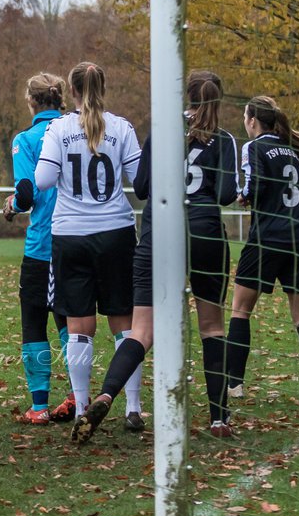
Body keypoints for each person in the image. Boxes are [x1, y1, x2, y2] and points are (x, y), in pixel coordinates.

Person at [72, 71, 239, 442]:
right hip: (205, 234)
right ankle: (218, 418)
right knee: (211, 326)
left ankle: (104, 396)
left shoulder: (160, 134)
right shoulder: (224, 140)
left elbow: (144, 188)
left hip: (156, 235)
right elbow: (227, 194)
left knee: (142, 330)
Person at [31, 63, 143, 434]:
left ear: (72, 91)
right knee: (125, 322)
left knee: (79, 326)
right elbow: (140, 180)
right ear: (103, 87)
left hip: (71, 235)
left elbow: (44, 179)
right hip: (116, 232)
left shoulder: (58, 128)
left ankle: (82, 406)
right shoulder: (122, 127)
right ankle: (133, 407)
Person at [225, 95, 299, 404]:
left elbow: (254, 185)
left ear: (253, 121)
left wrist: (244, 196)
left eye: (246, 117)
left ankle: (234, 385)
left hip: (268, 237)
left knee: (240, 309)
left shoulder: (253, 147)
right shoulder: (294, 150)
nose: (245, 123)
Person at [2, 73, 75, 426]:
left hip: (45, 243)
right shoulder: (77, 129)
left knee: (34, 320)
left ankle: (40, 406)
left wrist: (12, 204)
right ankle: (79, 395)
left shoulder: (26, 138)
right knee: (71, 318)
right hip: (81, 237)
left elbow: (28, 194)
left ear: (31, 102)